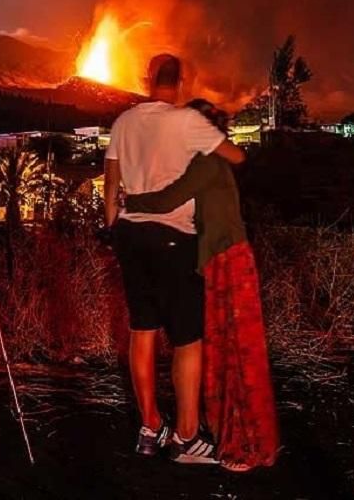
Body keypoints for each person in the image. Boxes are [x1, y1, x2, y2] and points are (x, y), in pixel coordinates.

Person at [104, 54, 246, 464]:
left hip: (130, 235)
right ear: (181, 81)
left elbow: (111, 187)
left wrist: (114, 228)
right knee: (187, 339)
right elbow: (236, 157)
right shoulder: (187, 121)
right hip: (173, 237)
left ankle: (150, 426)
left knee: (142, 329)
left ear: (147, 78)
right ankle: (186, 437)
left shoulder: (123, 122)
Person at [124, 100, 279, 471]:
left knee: (236, 349)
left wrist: (129, 202)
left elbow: (169, 199)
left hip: (228, 260)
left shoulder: (206, 162)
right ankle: (219, 432)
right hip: (221, 259)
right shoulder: (205, 160)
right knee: (223, 347)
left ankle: (243, 439)